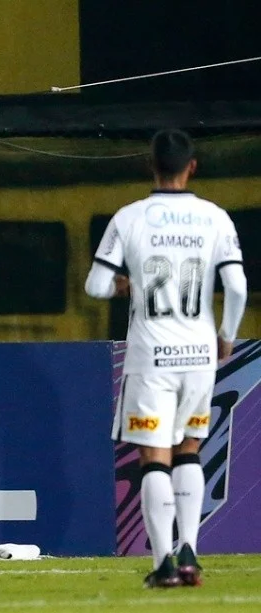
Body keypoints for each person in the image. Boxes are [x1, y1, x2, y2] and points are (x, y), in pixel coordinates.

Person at [85, 128, 246, 589]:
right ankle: (191, 551)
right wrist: (226, 337)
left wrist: (125, 286)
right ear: (192, 166)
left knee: (154, 456)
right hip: (199, 352)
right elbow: (235, 286)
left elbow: (96, 286)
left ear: (149, 165)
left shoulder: (130, 218)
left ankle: (163, 565)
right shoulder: (214, 218)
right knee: (190, 448)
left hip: (151, 352)